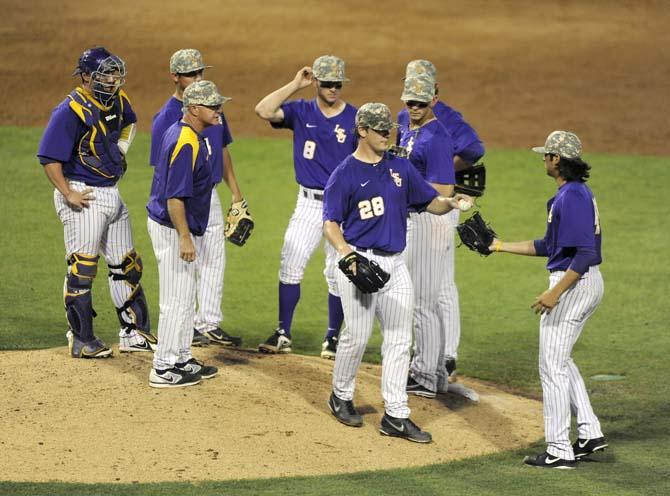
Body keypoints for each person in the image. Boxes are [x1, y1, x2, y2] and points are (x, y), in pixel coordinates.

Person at [322, 103, 471, 443]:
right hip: (359, 263)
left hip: (395, 266)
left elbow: (429, 201)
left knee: (400, 341)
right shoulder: (344, 173)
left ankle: (396, 415)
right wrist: (346, 254)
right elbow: (330, 222)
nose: (387, 134)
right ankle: (340, 395)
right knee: (357, 337)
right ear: (362, 131)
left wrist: (450, 204)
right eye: (379, 130)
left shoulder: (400, 167)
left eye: (389, 129)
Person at [489, 131, 608, 468]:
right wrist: (499, 246)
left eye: (546, 155)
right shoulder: (572, 194)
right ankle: (589, 432)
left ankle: (558, 450)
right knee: (561, 359)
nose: (543, 159)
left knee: (551, 366)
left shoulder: (571, 197)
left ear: (557, 160)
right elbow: (549, 246)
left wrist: (555, 293)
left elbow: (584, 254)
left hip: (574, 282)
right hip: (581, 281)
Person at [37, 46, 157, 358]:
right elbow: (49, 158)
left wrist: (120, 147)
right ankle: (81, 339)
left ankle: (133, 334)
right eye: (107, 74)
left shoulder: (120, 100)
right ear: (88, 77)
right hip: (82, 195)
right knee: (82, 268)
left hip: (111, 193)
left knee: (127, 265)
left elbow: (130, 122)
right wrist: (68, 193)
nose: (114, 79)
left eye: (116, 73)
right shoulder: (69, 110)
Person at [254, 55, 357, 357]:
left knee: (337, 271)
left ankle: (332, 338)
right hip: (308, 204)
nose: (334, 88)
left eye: (338, 83)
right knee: (291, 262)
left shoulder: (355, 117)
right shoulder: (300, 111)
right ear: (317, 83)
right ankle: (283, 333)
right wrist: (296, 84)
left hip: (342, 207)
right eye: (327, 83)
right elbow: (263, 110)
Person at [398, 59, 486, 386]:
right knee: (420, 290)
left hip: (435, 211)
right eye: (410, 91)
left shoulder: (444, 124)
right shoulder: (404, 119)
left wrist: (442, 168)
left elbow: (475, 149)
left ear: (434, 93)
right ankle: (428, 361)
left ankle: (442, 359)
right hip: (413, 213)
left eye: (422, 93)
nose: (415, 101)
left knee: (435, 290)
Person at [151, 48, 244, 348]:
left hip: (208, 194)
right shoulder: (168, 119)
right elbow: (166, 175)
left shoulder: (211, 111)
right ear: (175, 76)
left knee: (214, 259)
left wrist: (236, 194)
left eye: (200, 72)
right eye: (191, 73)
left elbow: (223, 150)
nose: (197, 78)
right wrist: (181, 227)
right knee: (182, 278)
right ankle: (177, 345)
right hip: (181, 201)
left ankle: (207, 325)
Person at [146, 80, 228, 388]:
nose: (220, 110)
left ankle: (181, 356)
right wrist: (184, 236)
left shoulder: (193, 134)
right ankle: (163, 366)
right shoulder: (185, 142)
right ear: (194, 109)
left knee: (185, 296)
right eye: (214, 105)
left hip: (177, 226)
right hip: (171, 228)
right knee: (175, 300)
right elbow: (174, 197)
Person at [395, 75, 456, 398]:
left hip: (428, 222)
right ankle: (434, 373)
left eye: (420, 102)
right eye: (410, 102)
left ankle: (425, 376)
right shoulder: (405, 123)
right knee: (421, 300)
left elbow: (445, 191)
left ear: (433, 100)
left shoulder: (438, 137)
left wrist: (406, 188)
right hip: (413, 219)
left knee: (423, 302)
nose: (414, 108)